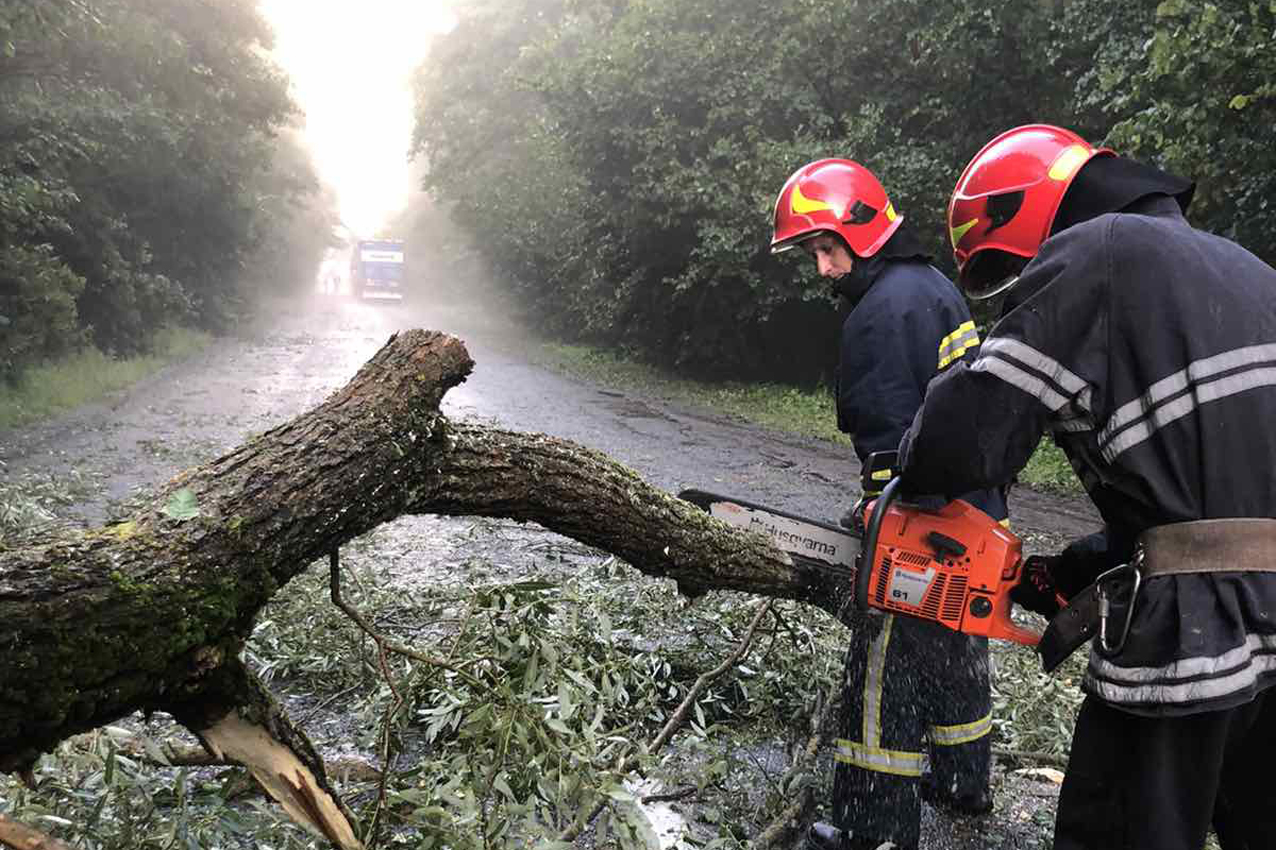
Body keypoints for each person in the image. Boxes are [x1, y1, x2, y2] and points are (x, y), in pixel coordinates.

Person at [896, 123, 1276, 849]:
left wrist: (913, 462)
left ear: (1033, 215)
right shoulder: (1251, 272)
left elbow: (961, 443)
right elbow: (1219, 507)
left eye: (1018, 265)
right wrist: (1071, 571)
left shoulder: (1100, 250)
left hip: (1193, 643)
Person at [770, 159, 1009, 850]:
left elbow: (890, 440)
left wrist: (879, 516)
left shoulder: (880, 313)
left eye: (823, 249)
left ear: (860, 227)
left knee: (881, 665)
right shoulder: (932, 286)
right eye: (813, 254)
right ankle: (965, 779)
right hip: (975, 510)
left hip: (926, 521)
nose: (821, 269)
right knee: (957, 648)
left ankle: (870, 827)